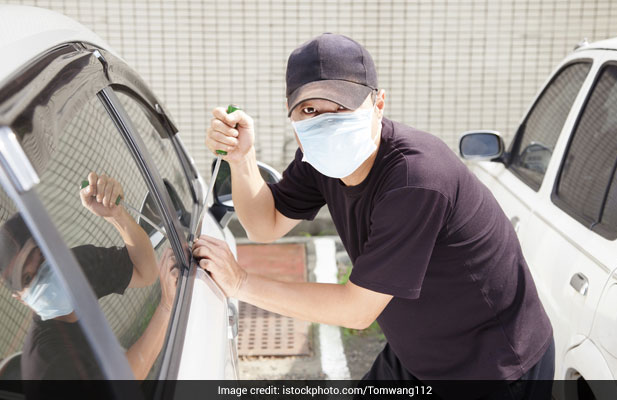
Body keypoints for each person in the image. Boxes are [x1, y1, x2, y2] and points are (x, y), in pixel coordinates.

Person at [194, 33, 554, 399]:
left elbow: (356, 310)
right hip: (416, 353)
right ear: (291, 115)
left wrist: (241, 283)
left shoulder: (416, 180)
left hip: (490, 369)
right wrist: (241, 159)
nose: (326, 123)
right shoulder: (319, 160)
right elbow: (264, 224)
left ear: (379, 104)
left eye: (341, 106)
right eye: (309, 111)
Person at [0, 172, 178, 381]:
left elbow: (145, 272)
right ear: (20, 297)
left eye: (41, 255)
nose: (43, 274)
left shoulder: (79, 268)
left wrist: (116, 215)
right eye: (28, 278)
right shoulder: (45, 364)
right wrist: (166, 308)